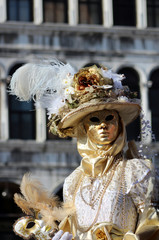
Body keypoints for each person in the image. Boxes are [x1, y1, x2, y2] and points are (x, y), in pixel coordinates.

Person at [10, 61, 159, 240]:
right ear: (84, 129)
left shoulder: (136, 171)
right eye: (95, 120)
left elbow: (151, 224)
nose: (103, 125)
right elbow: (71, 231)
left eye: (110, 118)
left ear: (119, 124)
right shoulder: (74, 181)